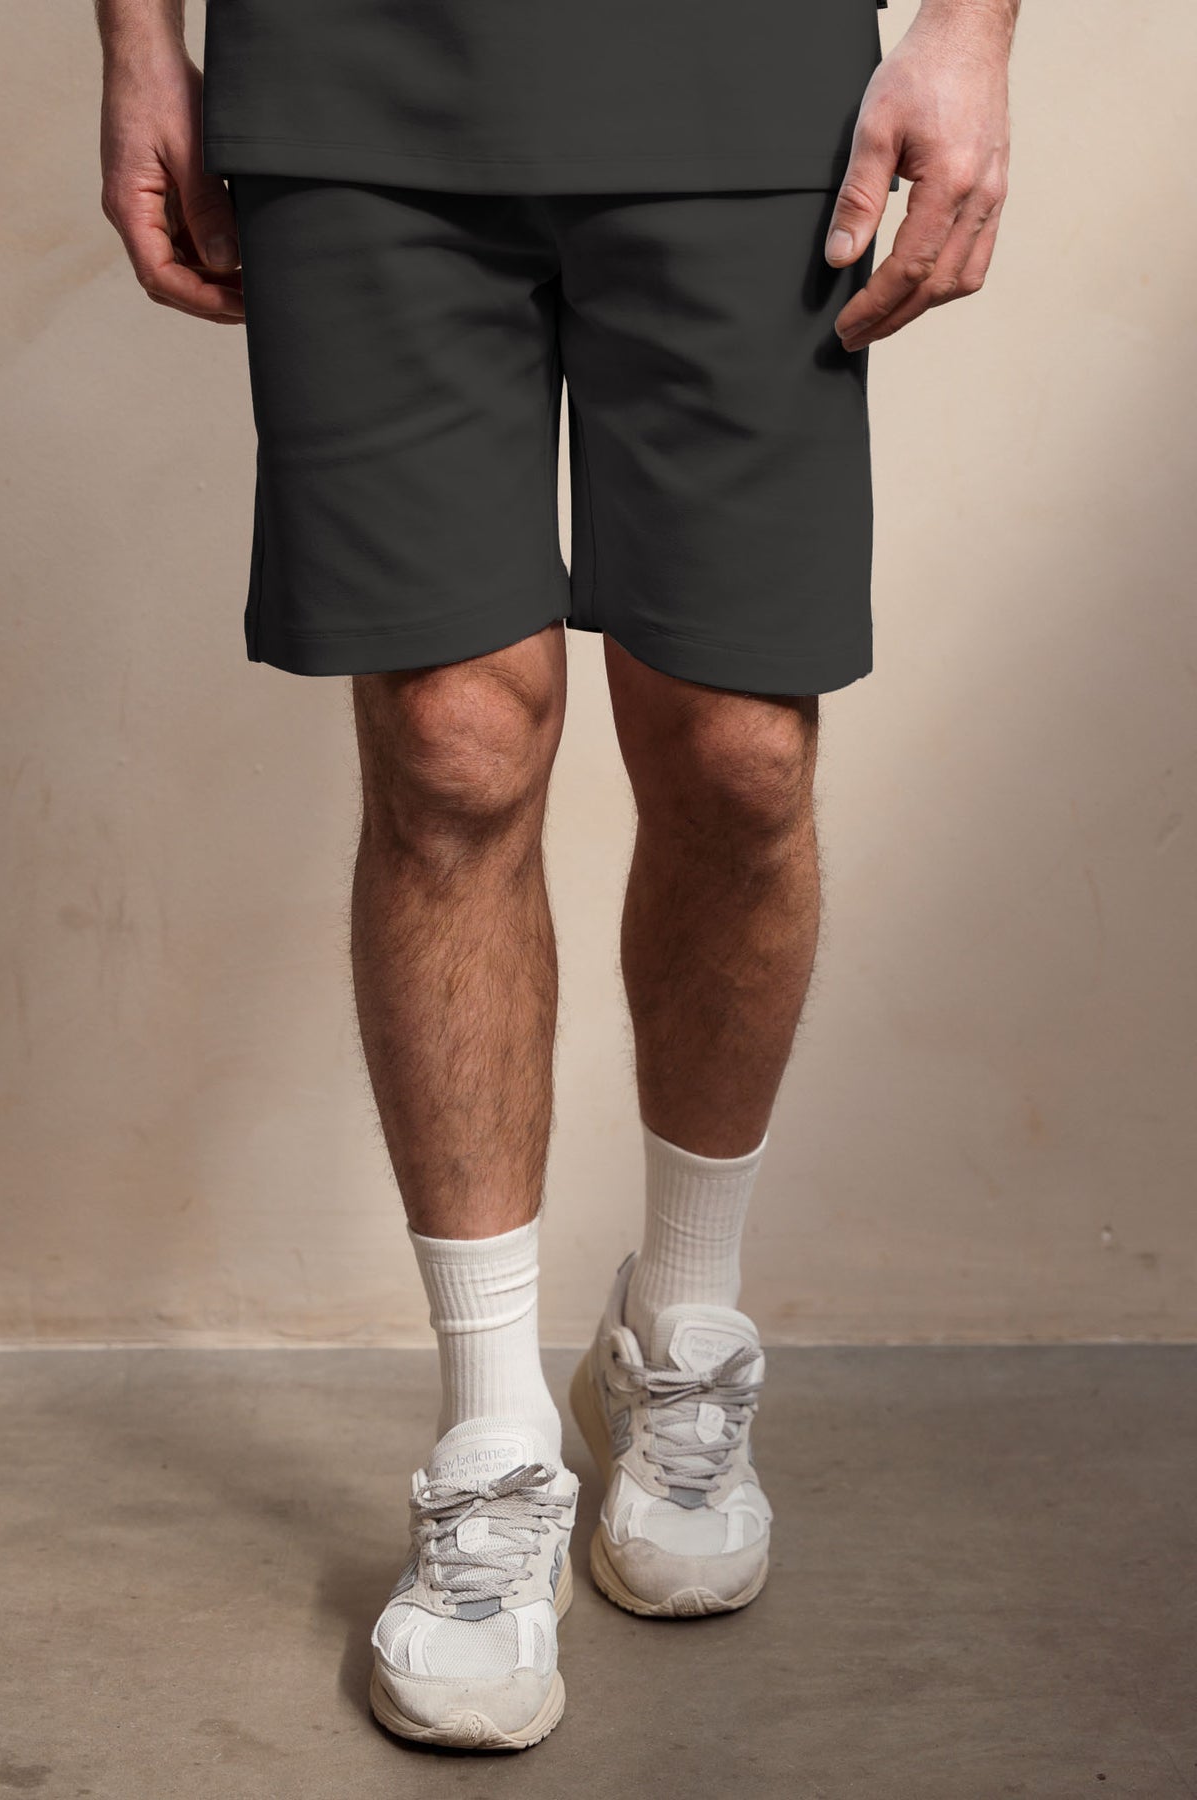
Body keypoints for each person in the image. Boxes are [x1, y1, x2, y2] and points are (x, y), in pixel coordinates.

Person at [97, 0, 1018, 1752]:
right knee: (451, 748)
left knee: (740, 750)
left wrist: (972, 39)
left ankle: (681, 1327)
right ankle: (492, 1434)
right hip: (355, 72)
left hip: (747, 71)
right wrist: (139, 40)